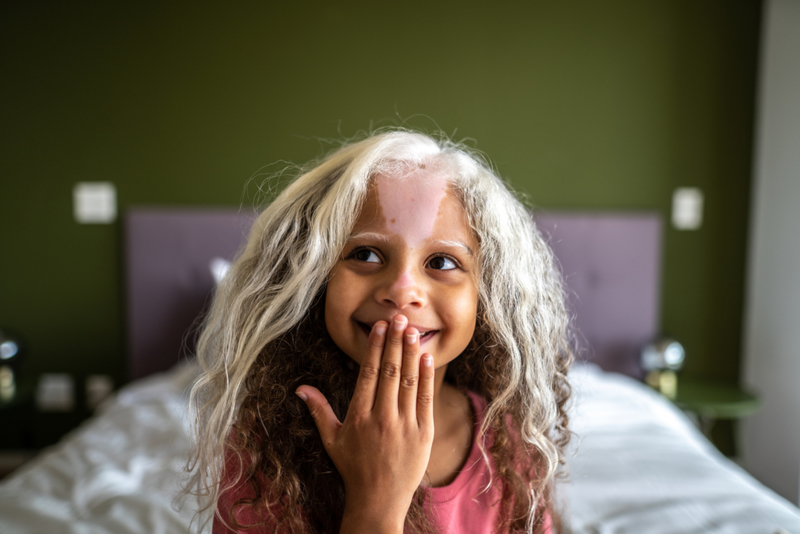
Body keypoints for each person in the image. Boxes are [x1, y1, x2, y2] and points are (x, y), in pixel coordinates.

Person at [188, 130, 573, 534]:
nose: (403, 291)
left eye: (441, 262)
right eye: (366, 254)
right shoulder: (266, 445)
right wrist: (376, 503)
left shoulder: (507, 443)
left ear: (489, 294)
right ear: (313, 277)